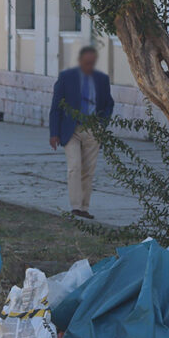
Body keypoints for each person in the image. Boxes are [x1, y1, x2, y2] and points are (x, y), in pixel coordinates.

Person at [49, 46, 114, 219]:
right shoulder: (66, 78)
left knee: (88, 170)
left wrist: (102, 123)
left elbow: (108, 103)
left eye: (92, 63)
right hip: (71, 129)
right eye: (86, 63)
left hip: (93, 128)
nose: (89, 66)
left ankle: (84, 207)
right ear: (79, 62)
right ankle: (75, 206)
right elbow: (56, 107)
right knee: (74, 166)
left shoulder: (101, 79)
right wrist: (54, 133)